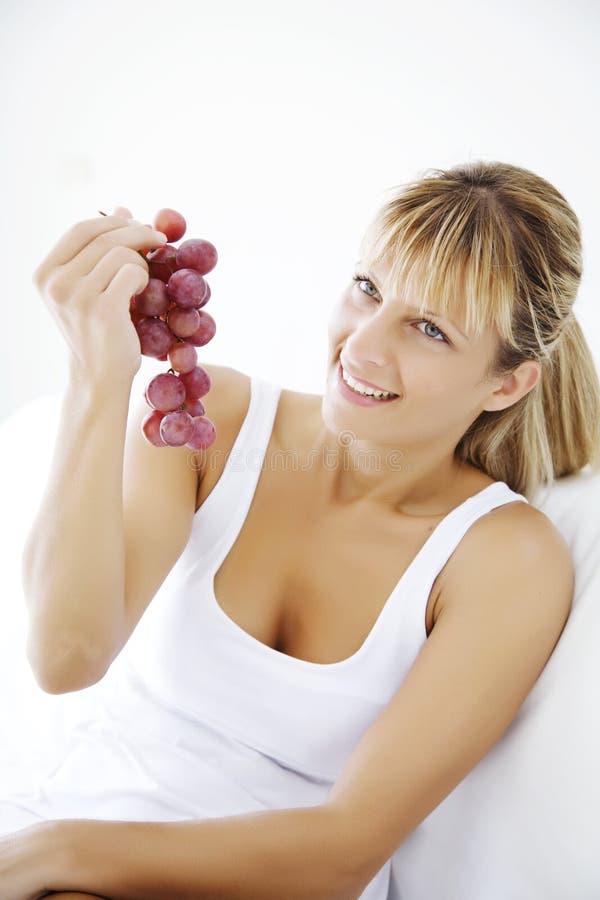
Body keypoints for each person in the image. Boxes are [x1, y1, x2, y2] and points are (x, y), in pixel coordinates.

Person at [2, 160, 599, 900]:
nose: (363, 347)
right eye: (368, 289)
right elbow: (67, 658)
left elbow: (344, 852)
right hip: (63, 828)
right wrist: (98, 375)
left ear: (506, 384)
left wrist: (49, 854)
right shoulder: (210, 421)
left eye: (429, 330)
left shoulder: (502, 558)